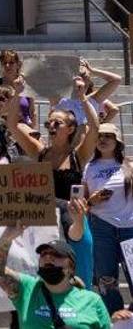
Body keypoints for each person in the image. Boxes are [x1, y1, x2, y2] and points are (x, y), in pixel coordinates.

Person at [0, 230, 111, 329]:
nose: (48, 257)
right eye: (43, 254)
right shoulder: (27, 289)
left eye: (56, 255)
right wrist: (7, 237)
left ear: (71, 267)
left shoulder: (92, 301)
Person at [83, 122, 133, 310]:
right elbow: (83, 201)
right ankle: (115, 318)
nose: (102, 139)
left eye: (108, 136)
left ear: (117, 141)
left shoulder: (130, 164)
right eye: (99, 136)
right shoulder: (89, 167)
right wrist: (92, 201)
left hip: (130, 227)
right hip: (101, 227)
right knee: (106, 280)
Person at [13, 97, 100, 202]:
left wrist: (83, 98)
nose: (51, 126)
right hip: (44, 215)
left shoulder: (78, 156)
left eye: (57, 123)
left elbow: (94, 128)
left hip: (69, 216)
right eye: (48, 123)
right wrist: (17, 94)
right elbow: (12, 126)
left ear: (70, 129)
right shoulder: (40, 153)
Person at [56, 59, 121, 126]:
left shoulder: (93, 99)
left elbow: (116, 80)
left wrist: (92, 70)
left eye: (86, 78)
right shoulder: (62, 100)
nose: (82, 83)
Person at [0, 49, 37, 129]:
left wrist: (33, 132)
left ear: (18, 65)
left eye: (11, 63)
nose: (7, 65)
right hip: (1, 133)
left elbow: (33, 113)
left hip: (23, 132)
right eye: (4, 63)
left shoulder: (26, 86)